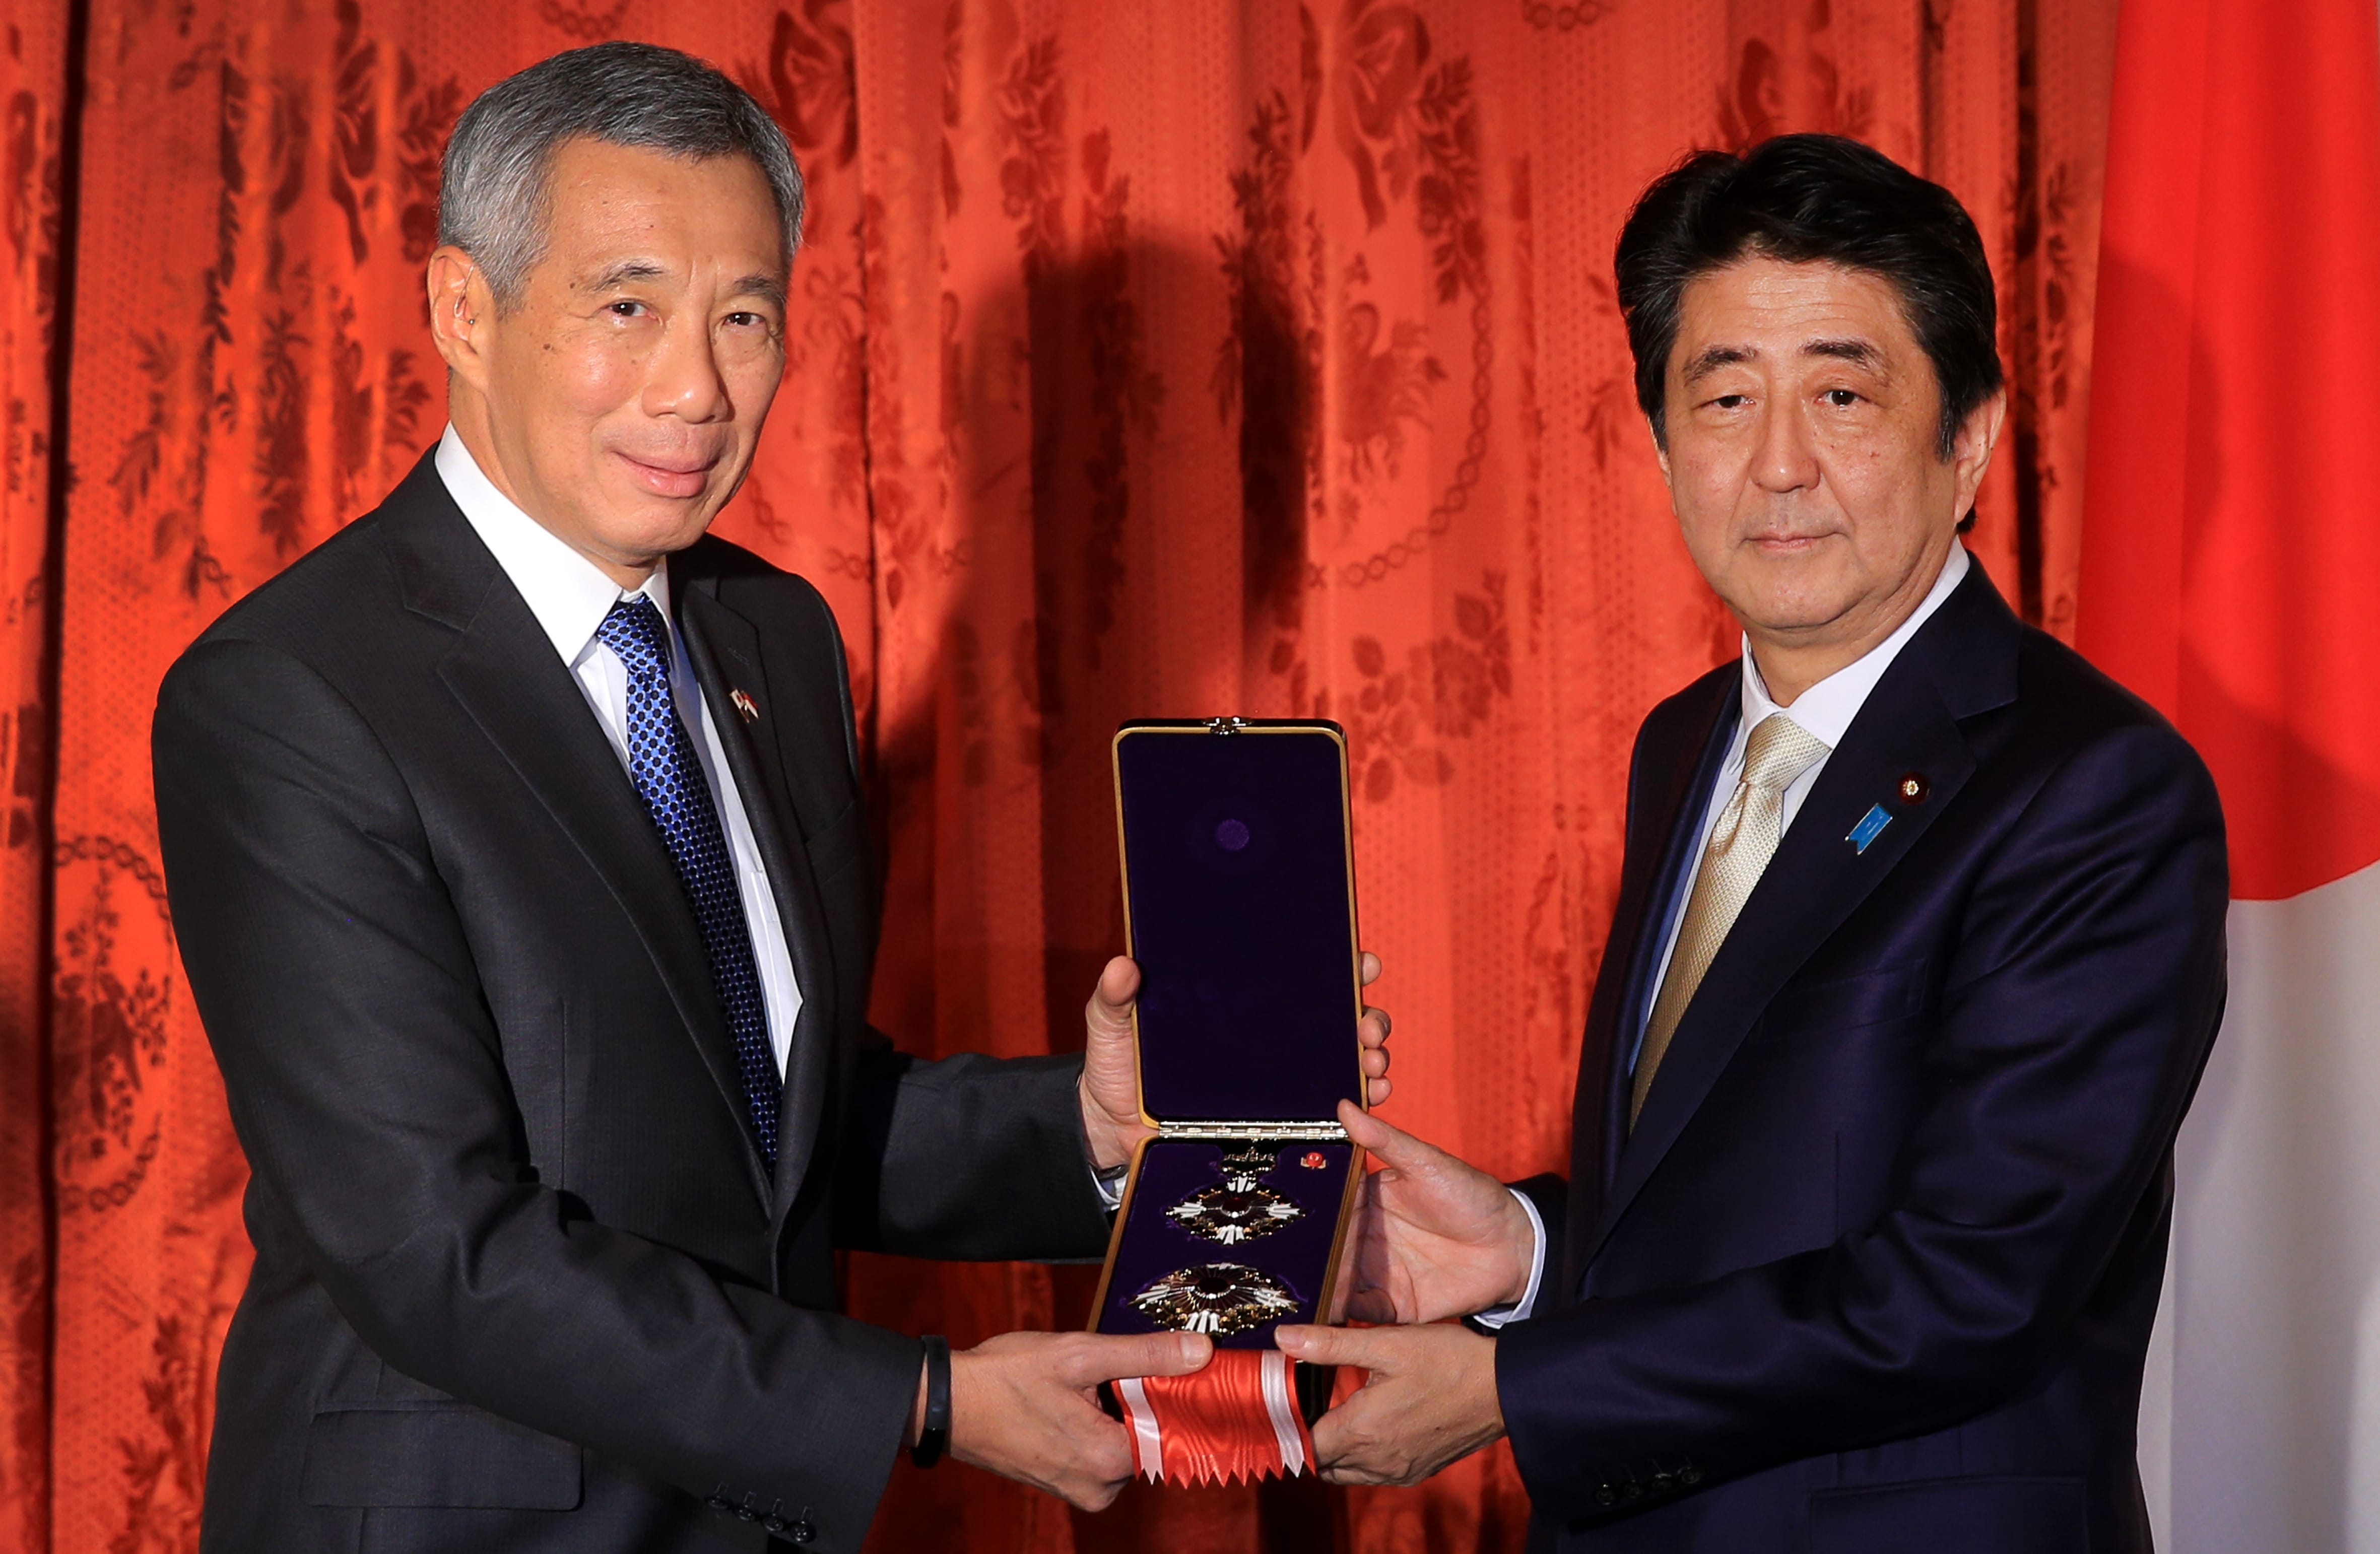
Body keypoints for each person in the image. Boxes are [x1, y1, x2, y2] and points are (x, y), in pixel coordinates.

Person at [151, 43, 1387, 1554]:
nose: (697, 389)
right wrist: (922, 1399)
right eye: (628, 308)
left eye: (744, 317)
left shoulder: (771, 639)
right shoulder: (293, 691)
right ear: (464, 310)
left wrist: (1087, 1126)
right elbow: (429, 1245)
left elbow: (773, 1125)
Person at [1276, 133, 2226, 1554]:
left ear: (1968, 437)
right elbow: (1747, 1188)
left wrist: (1520, 1390)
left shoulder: (2092, 785)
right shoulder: (1683, 743)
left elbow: (1970, 1287)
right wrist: (1528, 1251)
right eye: (1723, 398)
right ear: (1665, 447)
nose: (1778, 465)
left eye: (1841, 394)